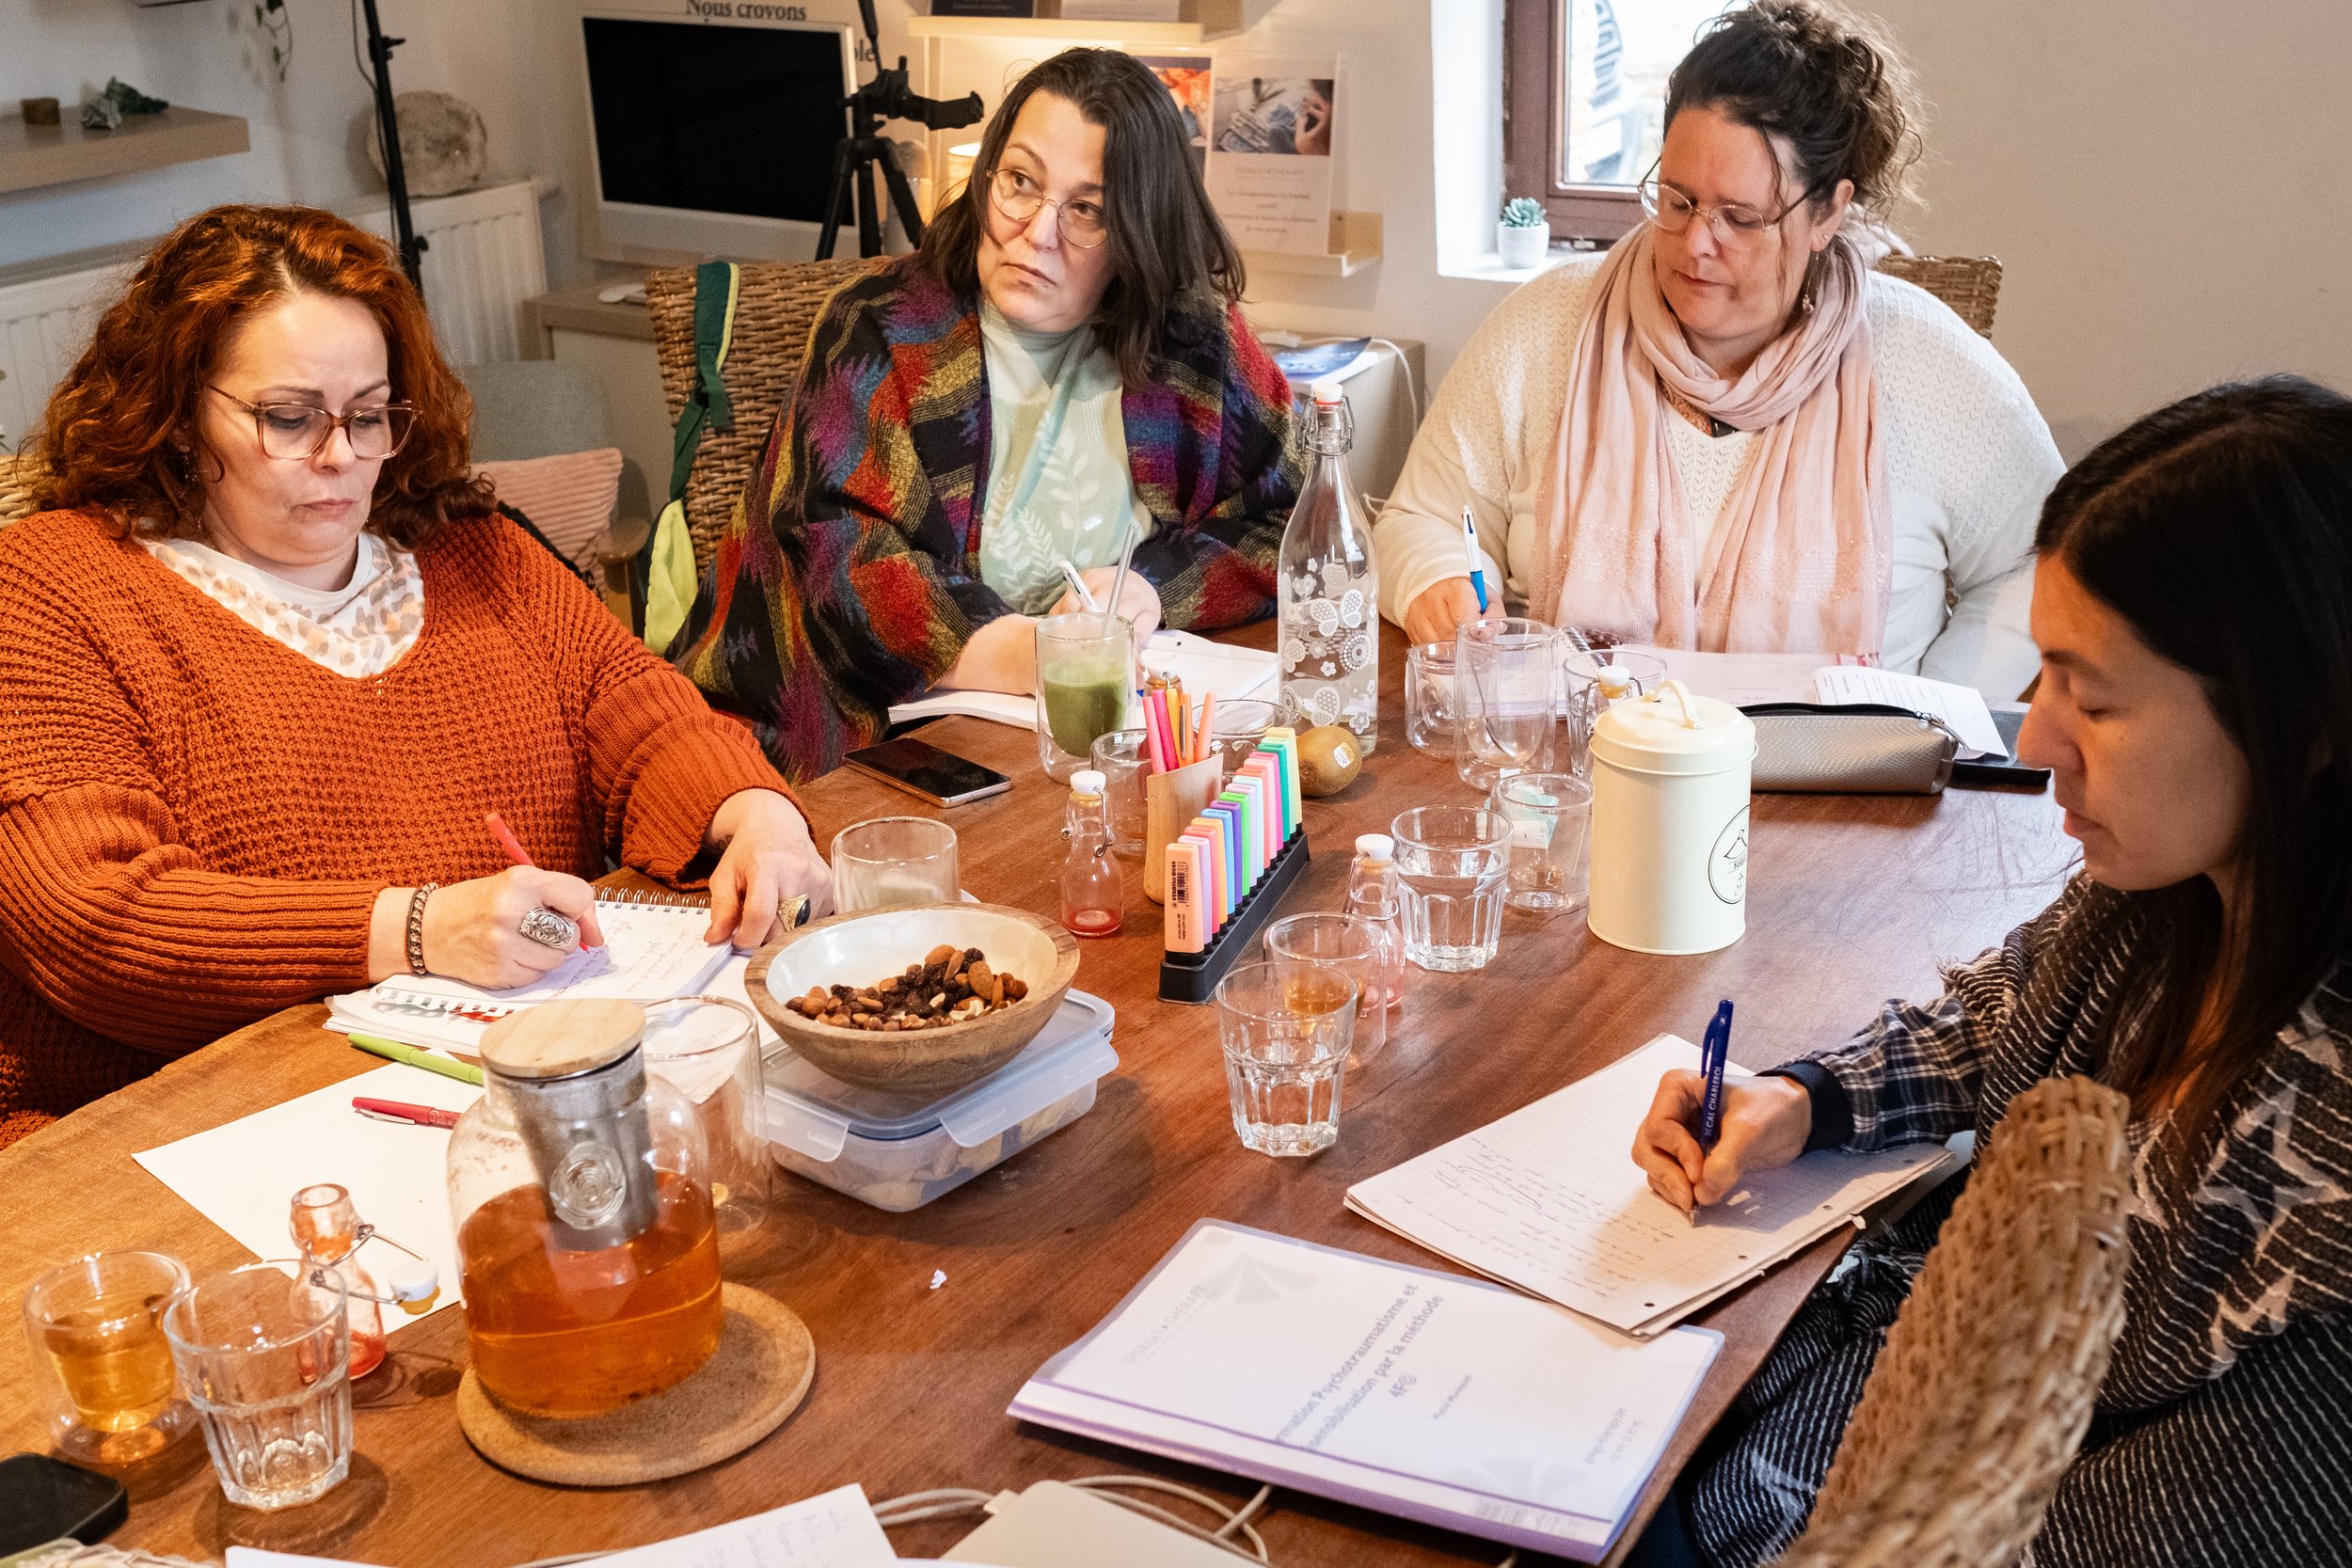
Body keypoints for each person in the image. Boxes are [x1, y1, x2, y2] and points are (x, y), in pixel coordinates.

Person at [1627, 378, 2352, 1565]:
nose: (2034, 733)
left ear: (2307, 719)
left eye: (2097, 698)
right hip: (1871, 1403)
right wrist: (1802, 1097)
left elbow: (2092, 1538)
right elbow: (2007, 1019)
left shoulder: (2324, 1199)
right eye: (2046, 670)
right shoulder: (2173, 897)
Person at [0, 205, 833, 1147]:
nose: (341, 456)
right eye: (288, 417)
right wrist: (413, 927)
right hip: (177, 1136)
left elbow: (640, 715)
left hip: (485, 1098)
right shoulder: (51, 586)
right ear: (182, 410)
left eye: (368, 415)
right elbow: (94, 920)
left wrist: (754, 812)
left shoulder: (468, 548)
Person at [1376, 1, 2061, 696]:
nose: (1697, 243)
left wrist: (1936, 702)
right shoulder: (1547, 325)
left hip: (1846, 784)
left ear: (1828, 211)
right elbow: (1421, 517)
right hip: (1584, 771)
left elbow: (2051, 558)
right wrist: (1436, 580)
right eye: (1677, 201)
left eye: (1740, 217)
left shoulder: (1924, 361)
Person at [672, 48, 1300, 782]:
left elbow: (1294, 521)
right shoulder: (879, 330)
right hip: (822, 757)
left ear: (1138, 233)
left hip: (1058, 761)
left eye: (1087, 209)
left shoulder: (1191, 343)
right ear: (987, 175)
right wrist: (1035, 654)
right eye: (1021, 183)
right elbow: (844, 570)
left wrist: (1151, 587)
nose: (1037, 232)